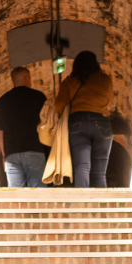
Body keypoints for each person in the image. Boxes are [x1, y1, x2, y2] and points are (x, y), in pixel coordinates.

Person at [54, 51, 113, 187]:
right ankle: (101, 200)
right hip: (101, 122)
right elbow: (109, 100)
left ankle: (82, 199)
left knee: (82, 166)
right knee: (100, 172)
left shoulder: (69, 81)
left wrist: (66, 113)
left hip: (77, 122)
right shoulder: (105, 79)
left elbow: (58, 104)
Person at [0, 66, 48, 187]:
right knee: (38, 193)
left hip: (12, 155)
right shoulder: (39, 97)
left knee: (15, 194)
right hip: (35, 150)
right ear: (26, 79)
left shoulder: (3, 100)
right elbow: (47, 123)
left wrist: (4, 154)